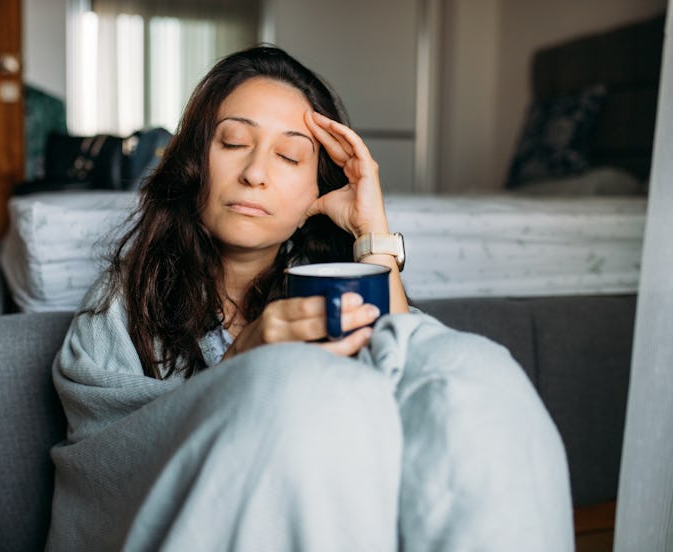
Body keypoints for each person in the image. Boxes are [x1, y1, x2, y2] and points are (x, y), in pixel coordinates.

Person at [46, 46, 573, 551]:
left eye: (290, 155)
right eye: (232, 143)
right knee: (299, 385)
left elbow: (402, 374)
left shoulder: (323, 282)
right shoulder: (123, 303)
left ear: (314, 192)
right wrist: (237, 372)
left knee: (472, 367)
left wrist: (372, 230)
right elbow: (107, 475)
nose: (255, 173)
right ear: (194, 163)